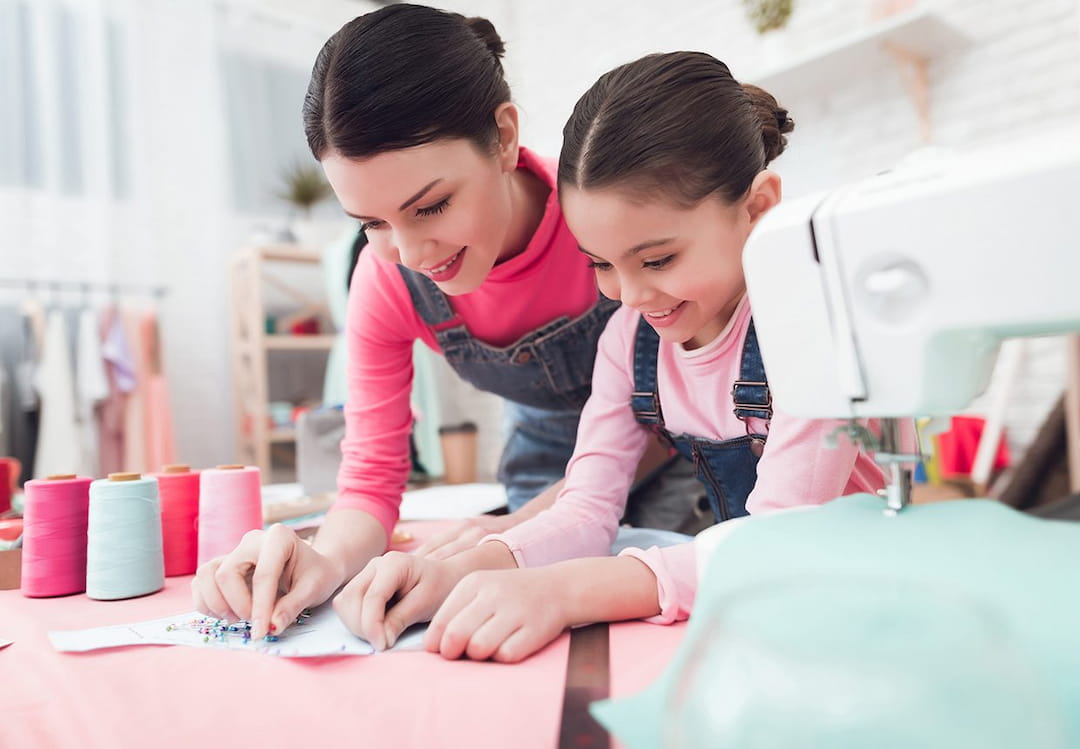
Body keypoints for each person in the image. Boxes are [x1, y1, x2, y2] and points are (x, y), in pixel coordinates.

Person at [338, 51, 889, 660]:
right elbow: (587, 508)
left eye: (657, 260)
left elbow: (780, 541)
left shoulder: (806, 331)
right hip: (760, 609)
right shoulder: (629, 339)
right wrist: (459, 572)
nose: (630, 296)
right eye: (600, 262)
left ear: (757, 208)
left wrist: (567, 590)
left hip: (857, 600)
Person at [191, 4, 686, 638]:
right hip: (544, 471)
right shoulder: (387, 278)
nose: (412, 254)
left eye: (430, 207)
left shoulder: (600, 216)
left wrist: (518, 533)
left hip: (675, 453)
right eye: (371, 223)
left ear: (504, 137)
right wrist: (323, 558)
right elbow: (370, 475)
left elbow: (674, 406)